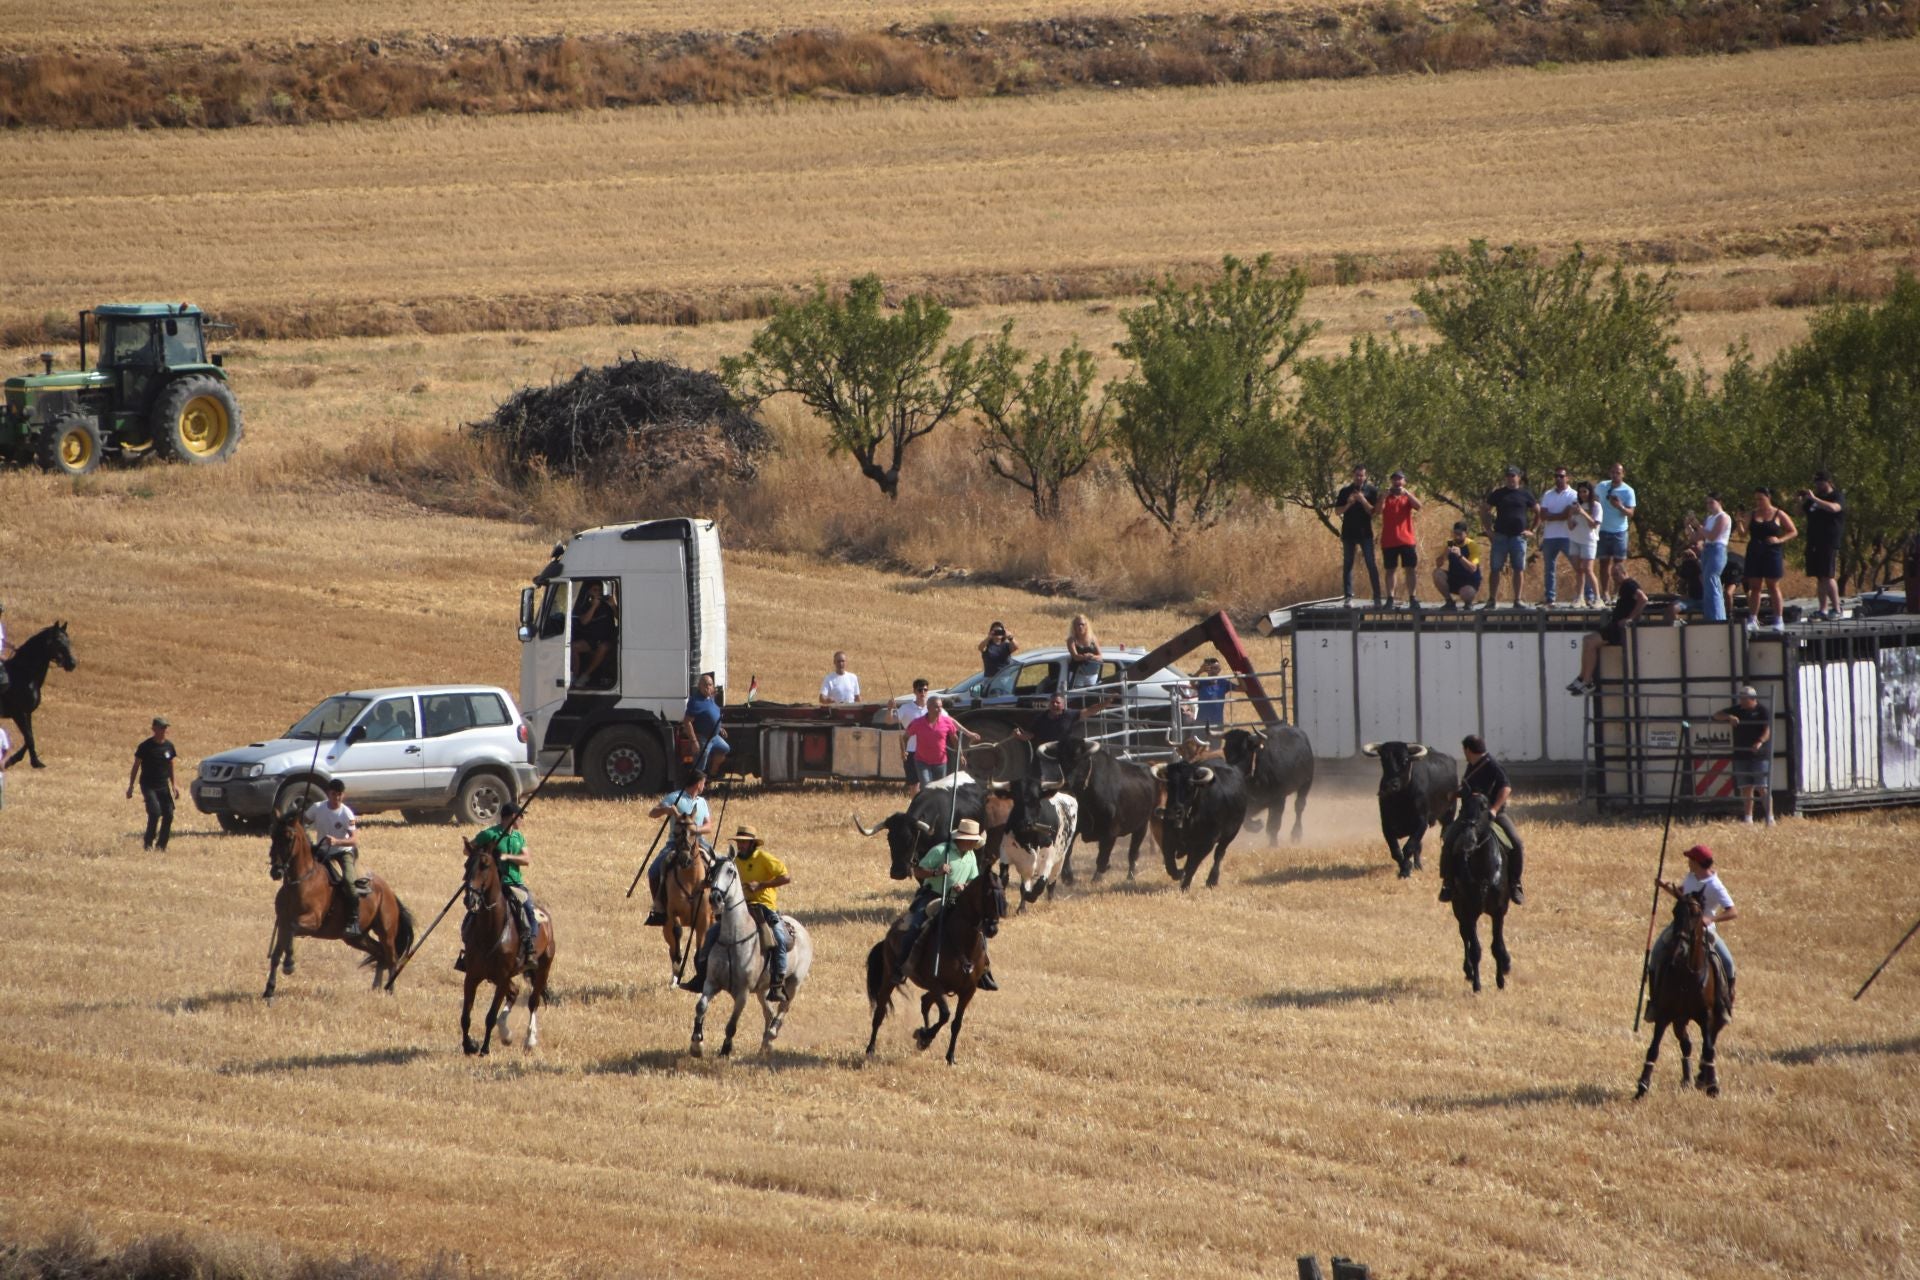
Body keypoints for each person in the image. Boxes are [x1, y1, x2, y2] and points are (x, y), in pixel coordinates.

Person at [681, 824, 790, 994]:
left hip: (764, 907)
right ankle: (701, 977)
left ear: (753, 844)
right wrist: (704, 885)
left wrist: (761, 885)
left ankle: (777, 981)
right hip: (740, 908)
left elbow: (786, 877)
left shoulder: (764, 858)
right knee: (710, 935)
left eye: (744, 842)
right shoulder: (734, 861)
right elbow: (724, 880)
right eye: (739, 842)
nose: (741, 845)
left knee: (779, 938)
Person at [894, 817, 996, 990]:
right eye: (971, 841)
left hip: (956, 900)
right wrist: (936, 871)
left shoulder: (971, 856)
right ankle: (902, 967)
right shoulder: (941, 851)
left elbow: (973, 881)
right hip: (932, 895)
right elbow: (917, 870)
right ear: (961, 839)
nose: (973, 845)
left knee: (980, 930)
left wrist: (964, 887)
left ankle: (983, 971)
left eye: (974, 841)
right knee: (916, 926)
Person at [1653, 844, 1738, 1016]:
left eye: (1690, 859)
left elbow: (1732, 911)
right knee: (1656, 953)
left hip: (1705, 930)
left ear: (1697, 862)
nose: (1688, 862)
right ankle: (1655, 1001)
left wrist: (1711, 918)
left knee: (1728, 963)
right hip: (1682, 926)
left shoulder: (1716, 885)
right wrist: (1665, 887)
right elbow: (1682, 895)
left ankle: (1724, 1003)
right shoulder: (1691, 877)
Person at [1439, 734, 1524, 905]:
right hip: (1469, 815)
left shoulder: (1492, 765)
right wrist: (1454, 794)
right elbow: (1469, 789)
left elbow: (1506, 788)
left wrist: (1493, 809)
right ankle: (1448, 883)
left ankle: (1515, 883)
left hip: (1493, 815)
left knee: (1516, 843)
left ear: (1467, 750)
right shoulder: (1472, 766)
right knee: (1449, 840)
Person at [643, 770, 714, 927]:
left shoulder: (702, 802)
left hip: (699, 842)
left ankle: (717, 905)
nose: (704, 785)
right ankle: (659, 907)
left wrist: (696, 830)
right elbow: (652, 813)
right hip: (675, 843)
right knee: (654, 871)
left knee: (719, 866)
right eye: (703, 782)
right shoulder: (675, 797)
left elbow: (708, 826)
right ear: (698, 783)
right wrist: (666, 810)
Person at [472, 803, 538, 968]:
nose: (522, 819)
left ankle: (530, 948)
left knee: (528, 908)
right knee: (473, 911)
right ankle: (469, 946)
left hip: (515, 883)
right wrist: (485, 858)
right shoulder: (490, 834)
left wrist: (506, 857)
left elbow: (527, 860)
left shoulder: (519, 837)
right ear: (510, 817)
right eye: (520, 816)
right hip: (496, 883)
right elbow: (469, 849)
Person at [303, 778, 366, 937]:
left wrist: (337, 841)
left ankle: (353, 919)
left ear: (342, 795)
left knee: (349, 882)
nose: (336, 798)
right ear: (328, 794)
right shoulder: (317, 808)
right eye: (333, 794)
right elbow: (302, 822)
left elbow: (354, 840)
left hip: (342, 851)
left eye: (339, 795)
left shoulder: (346, 813)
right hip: (322, 851)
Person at [1567, 579, 1648, 694]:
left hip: (1618, 631)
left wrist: (1630, 618)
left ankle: (1587, 681)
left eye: (1616, 574)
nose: (1614, 576)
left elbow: (1644, 599)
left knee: (1590, 642)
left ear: (1622, 573)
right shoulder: (1623, 588)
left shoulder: (1629, 584)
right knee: (1586, 640)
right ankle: (1582, 677)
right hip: (1613, 627)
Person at [1714, 686, 1774, 826]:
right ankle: (1748, 818)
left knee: (1762, 787)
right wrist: (1729, 717)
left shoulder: (1762, 710)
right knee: (1746, 788)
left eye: (1744, 698)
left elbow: (1767, 730)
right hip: (1741, 754)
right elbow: (1716, 715)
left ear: (1753, 699)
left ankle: (1770, 818)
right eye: (1740, 698)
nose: (1741, 700)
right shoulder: (1737, 709)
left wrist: (1759, 742)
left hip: (1759, 755)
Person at [1742, 487, 1798, 633]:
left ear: (1768, 498)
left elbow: (1793, 531)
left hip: (1771, 551)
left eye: (1761, 498)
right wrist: (1739, 521)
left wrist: (1780, 539)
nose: (1758, 502)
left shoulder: (1778, 513)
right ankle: (1753, 618)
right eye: (1756, 499)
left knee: (1773, 585)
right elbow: (1743, 534)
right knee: (1755, 587)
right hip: (1755, 550)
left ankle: (1778, 619)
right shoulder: (1752, 514)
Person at [1484, 465, 1537, 608]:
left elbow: (1538, 511)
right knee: (1495, 568)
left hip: (1518, 537)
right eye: (1508, 476)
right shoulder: (1498, 493)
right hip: (1500, 536)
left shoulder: (1525, 494)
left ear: (1518, 477)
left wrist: (1532, 530)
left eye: (1513, 476)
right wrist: (1488, 530)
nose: (1510, 479)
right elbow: (1485, 509)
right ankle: (1492, 599)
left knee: (1518, 568)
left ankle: (1517, 600)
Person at [127, 716, 179, 852]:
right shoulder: (145, 747)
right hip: (148, 785)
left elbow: (171, 765)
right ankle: (148, 843)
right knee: (155, 813)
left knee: (169, 814)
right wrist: (131, 786)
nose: (164, 730)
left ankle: (161, 846)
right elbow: (136, 766)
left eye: (165, 727)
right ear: (154, 728)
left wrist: (174, 785)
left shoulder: (169, 746)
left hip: (163, 785)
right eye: (161, 727)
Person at [904, 694, 980, 786]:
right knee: (927, 787)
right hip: (922, 762)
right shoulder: (918, 723)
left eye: (941, 707)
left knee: (939, 788)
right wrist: (903, 751)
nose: (939, 710)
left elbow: (954, 739)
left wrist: (960, 755)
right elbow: (905, 737)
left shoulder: (947, 721)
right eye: (936, 707)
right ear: (928, 707)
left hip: (940, 762)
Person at [1334, 464, 1383, 605]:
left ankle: (1377, 596)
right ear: (1353, 475)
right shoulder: (1345, 491)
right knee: (1348, 564)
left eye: (1362, 475)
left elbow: (1374, 512)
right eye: (1357, 475)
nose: (1359, 478)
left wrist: (1362, 500)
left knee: (1371, 563)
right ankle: (1348, 596)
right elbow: (1338, 511)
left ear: (1365, 476)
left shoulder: (1372, 491)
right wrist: (1348, 504)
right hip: (1348, 533)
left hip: (1365, 533)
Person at [1800, 472, 1845, 621]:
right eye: (1816, 482)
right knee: (1820, 576)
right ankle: (1823, 609)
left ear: (1829, 482)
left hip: (1829, 540)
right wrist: (1801, 500)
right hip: (1814, 540)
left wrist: (1815, 499)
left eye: (1821, 482)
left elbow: (1834, 508)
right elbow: (1798, 512)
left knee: (1827, 574)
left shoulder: (1836, 495)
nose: (1818, 485)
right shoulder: (1813, 500)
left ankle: (1835, 608)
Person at [1379, 471, 1423, 608]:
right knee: (1390, 570)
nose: (1397, 482)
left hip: (1407, 539)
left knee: (1410, 569)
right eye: (1395, 480)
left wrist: (1408, 493)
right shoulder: (1386, 496)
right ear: (1391, 481)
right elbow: (1378, 510)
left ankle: (1412, 597)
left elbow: (1418, 506)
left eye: (1400, 480)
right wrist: (1384, 497)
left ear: (1404, 482)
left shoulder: (1407, 497)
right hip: (1389, 539)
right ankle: (1390, 598)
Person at [1593, 462, 1637, 601]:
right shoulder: (1602, 486)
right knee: (1604, 563)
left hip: (1619, 531)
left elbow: (1631, 513)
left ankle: (1617, 593)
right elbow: (1592, 500)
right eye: (1613, 472)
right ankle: (1605, 592)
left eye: (1618, 473)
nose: (1615, 475)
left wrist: (1619, 506)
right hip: (1603, 530)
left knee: (1619, 565)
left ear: (1623, 474)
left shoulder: (1628, 491)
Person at [1535, 466, 1579, 607]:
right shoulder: (1548, 494)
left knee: (1578, 566)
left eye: (1561, 476)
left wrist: (1552, 516)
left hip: (1567, 536)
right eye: (1556, 476)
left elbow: (1568, 514)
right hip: (1550, 537)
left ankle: (1586, 595)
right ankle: (1550, 598)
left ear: (1567, 478)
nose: (1558, 479)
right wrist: (1560, 515)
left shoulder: (1573, 494)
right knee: (1549, 569)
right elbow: (1542, 515)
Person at [1688, 494, 1735, 623]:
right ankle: (1710, 615)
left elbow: (1713, 536)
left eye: (1712, 502)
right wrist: (1689, 526)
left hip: (1717, 549)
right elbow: (1698, 537)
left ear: (1719, 502)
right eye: (1707, 503)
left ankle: (1718, 618)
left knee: (1712, 579)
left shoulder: (1724, 517)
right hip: (1707, 550)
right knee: (1707, 582)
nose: (1709, 506)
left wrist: (1698, 526)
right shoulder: (1709, 518)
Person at [1015, 691, 1117, 748]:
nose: (1055, 705)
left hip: (1066, 750)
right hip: (1048, 750)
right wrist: (1019, 735)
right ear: (1049, 704)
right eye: (1052, 702)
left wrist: (1107, 703)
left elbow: (1090, 710)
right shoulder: (1040, 718)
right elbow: (1029, 735)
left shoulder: (1069, 715)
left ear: (1063, 705)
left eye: (1057, 703)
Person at [571, 580, 617, 688]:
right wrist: (594, 606)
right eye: (595, 590)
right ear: (589, 592)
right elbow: (584, 621)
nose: (598, 592)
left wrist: (613, 605)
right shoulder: (585, 604)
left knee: (603, 647)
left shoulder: (607, 604)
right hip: (591, 640)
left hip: (607, 640)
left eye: (600, 590)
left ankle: (585, 675)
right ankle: (574, 677)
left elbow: (620, 618)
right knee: (573, 647)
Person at [682, 672, 730, 775]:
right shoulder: (695, 701)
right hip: (703, 738)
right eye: (705, 685)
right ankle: (696, 786)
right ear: (699, 686)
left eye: (710, 684)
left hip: (714, 736)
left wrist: (719, 727)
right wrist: (694, 741)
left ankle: (712, 773)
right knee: (700, 765)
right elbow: (687, 722)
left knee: (725, 748)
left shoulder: (710, 697)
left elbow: (712, 713)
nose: (708, 687)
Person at [1567, 480, 1603, 607]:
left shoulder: (1596, 506)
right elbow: (1571, 526)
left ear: (1590, 492)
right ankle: (1579, 597)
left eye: (1585, 491)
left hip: (1589, 541)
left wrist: (1583, 513)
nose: (1582, 494)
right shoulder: (1576, 505)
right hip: (1575, 539)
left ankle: (1598, 598)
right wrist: (1571, 515)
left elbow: (1593, 524)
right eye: (1580, 491)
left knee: (1588, 569)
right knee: (1578, 570)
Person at [1431, 520, 1483, 610]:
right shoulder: (1450, 543)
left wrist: (1460, 556)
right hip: (1454, 578)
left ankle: (1468, 603)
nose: (1457, 536)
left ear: (1466, 533)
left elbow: (1473, 568)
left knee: (1466, 593)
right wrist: (1444, 555)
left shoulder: (1472, 545)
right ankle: (1449, 601)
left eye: (1460, 534)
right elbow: (1438, 565)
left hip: (1469, 581)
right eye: (1455, 533)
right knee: (1437, 573)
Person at [892, 678, 932, 791]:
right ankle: (915, 805)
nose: (923, 693)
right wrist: (890, 709)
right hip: (911, 750)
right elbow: (890, 720)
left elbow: (949, 721)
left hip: (928, 751)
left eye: (925, 690)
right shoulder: (906, 708)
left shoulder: (933, 707)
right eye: (920, 690)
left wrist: (967, 732)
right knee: (914, 784)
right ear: (914, 691)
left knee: (927, 783)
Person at [1190, 657, 1237, 730]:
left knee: (1215, 741)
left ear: (1219, 669)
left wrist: (1239, 677)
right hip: (1201, 722)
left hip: (1217, 723)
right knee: (1195, 741)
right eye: (1210, 668)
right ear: (1207, 670)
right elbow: (1192, 683)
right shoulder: (1202, 682)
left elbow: (1243, 688)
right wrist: (1200, 671)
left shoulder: (1224, 683)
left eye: (1215, 668)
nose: (1213, 670)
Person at [1065, 614, 1102, 691]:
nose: (1080, 627)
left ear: (1086, 626)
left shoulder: (1093, 639)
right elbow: (1075, 656)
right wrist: (1085, 657)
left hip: (1092, 674)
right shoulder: (1071, 640)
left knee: (1091, 698)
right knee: (1076, 698)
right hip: (1078, 675)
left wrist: (1092, 656)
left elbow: (1100, 656)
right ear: (1074, 626)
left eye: (1082, 624)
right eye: (1078, 624)